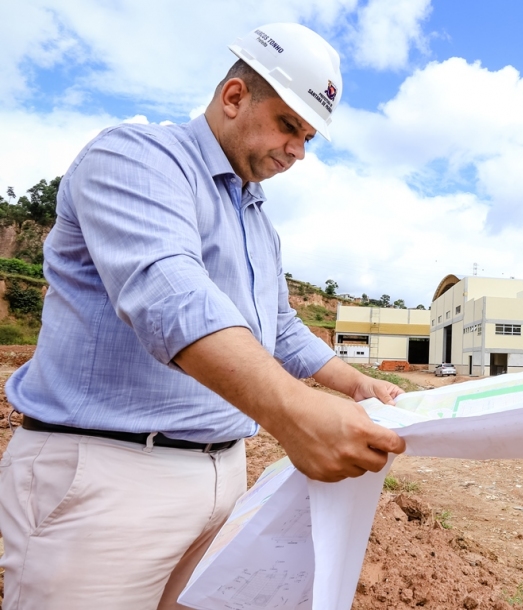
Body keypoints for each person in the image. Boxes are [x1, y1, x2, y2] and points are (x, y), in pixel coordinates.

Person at [0, 23, 406, 609]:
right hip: (109, 474)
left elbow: (278, 324)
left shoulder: (255, 217)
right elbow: (172, 296)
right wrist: (296, 413)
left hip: (219, 474)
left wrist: (354, 382)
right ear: (235, 96)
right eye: (289, 125)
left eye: (309, 138)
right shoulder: (137, 159)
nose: (297, 150)